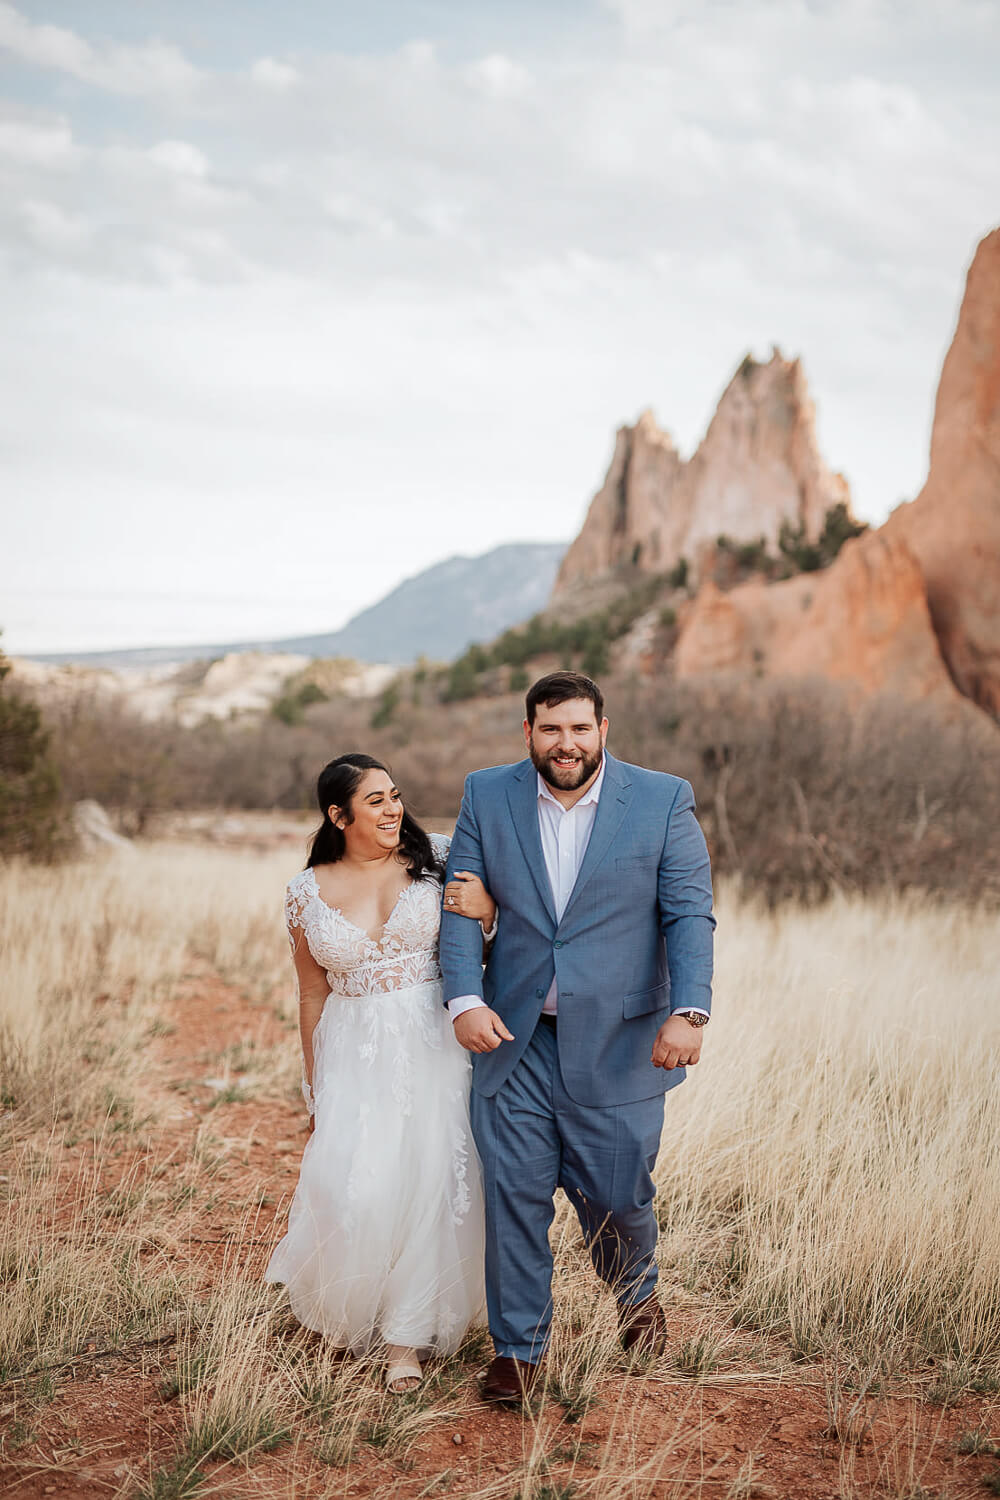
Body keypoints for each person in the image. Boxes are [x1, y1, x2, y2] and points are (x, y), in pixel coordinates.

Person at [439, 672, 715, 1407]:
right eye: (550, 729)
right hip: (513, 1039)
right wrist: (464, 997)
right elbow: (460, 905)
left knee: (619, 1195)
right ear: (528, 732)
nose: (566, 743)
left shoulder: (661, 800)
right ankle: (519, 1354)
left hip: (624, 1042)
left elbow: (688, 914)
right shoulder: (487, 795)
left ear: (603, 730)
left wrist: (689, 1012)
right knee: (516, 1194)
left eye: (580, 729)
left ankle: (637, 1296)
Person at [265, 752, 495, 1392]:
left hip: (435, 1040)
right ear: (339, 816)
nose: (394, 808)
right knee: (355, 1185)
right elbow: (311, 993)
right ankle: (351, 1301)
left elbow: (500, 929)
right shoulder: (305, 891)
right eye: (376, 800)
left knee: (427, 1181)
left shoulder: (441, 859)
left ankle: (405, 1339)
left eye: (395, 795)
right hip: (353, 1049)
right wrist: (315, 1082)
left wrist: (487, 909)